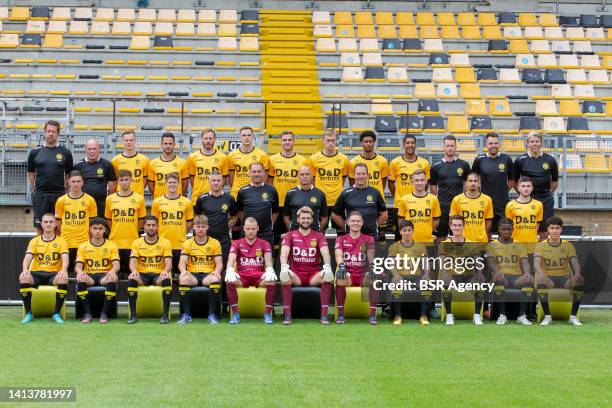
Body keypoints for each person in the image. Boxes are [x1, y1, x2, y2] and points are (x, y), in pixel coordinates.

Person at [278, 207, 334, 325]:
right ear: (297, 220)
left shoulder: (318, 235)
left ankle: (324, 315)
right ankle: (288, 315)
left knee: (327, 277)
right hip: (296, 274)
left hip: (313, 274)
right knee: (285, 276)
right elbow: (284, 253)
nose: (305, 220)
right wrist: (283, 266)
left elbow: (325, 253)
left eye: (308, 218)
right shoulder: (290, 235)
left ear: (312, 220)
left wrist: (327, 266)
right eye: (303, 218)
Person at [224, 217, 277, 325]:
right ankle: (235, 314)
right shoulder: (237, 243)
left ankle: (267, 314)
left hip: (259, 276)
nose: (251, 231)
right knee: (230, 281)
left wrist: (270, 269)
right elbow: (231, 259)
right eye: (248, 229)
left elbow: (268, 259)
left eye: (253, 229)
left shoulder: (264, 243)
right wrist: (229, 269)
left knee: (271, 281)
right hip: (242, 276)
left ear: (257, 228)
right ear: (243, 228)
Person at [19, 213, 69, 324]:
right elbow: (27, 258)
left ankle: (56, 314)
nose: (48, 224)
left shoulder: (61, 241)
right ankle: (29, 314)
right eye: (45, 222)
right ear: (41, 224)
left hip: (53, 274)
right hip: (37, 273)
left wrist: (64, 270)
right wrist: (25, 270)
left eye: (51, 222)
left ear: (55, 224)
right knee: (24, 278)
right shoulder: (35, 241)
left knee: (63, 279)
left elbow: (65, 258)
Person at [438, 215, 487, 326]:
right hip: (452, 276)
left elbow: (477, 260)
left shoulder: (471, 243)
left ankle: (476, 316)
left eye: (460, 225)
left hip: (468, 276)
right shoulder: (444, 244)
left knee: (481, 280)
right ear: (450, 226)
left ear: (464, 226)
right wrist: (444, 273)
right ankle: (450, 315)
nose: (457, 228)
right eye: (455, 225)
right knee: (444, 281)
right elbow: (440, 260)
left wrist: (479, 272)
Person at [534, 216, 583, 326]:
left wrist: (577, 275)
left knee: (580, 280)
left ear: (561, 230)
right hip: (548, 278)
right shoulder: (540, 245)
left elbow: (575, 262)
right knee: (541, 281)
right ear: (548, 230)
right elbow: (536, 263)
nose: (554, 231)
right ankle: (547, 316)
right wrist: (543, 275)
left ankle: (573, 316)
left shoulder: (568, 245)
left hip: (564, 279)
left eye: (557, 228)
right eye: (552, 228)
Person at [27, 120, 74, 230]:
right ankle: (41, 247)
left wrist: (66, 191)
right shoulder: (35, 152)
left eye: (53, 131)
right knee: (40, 227)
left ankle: (57, 247)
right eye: (49, 131)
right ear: (45, 132)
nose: (51, 134)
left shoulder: (65, 152)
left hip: (58, 195)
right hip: (41, 195)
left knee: (58, 226)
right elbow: (30, 173)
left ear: (58, 133)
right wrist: (35, 190)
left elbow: (69, 175)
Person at [486, 218, 534, 326]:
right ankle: (502, 315)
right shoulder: (492, 245)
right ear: (499, 229)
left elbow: (525, 262)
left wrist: (526, 273)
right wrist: (497, 273)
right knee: (499, 281)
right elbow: (491, 263)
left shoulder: (520, 245)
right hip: (502, 276)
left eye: (508, 229)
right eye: (504, 229)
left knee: (528, 281)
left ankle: (522, 316)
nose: (506, 231)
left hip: (516, 278)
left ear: (512, 229)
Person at [177, 215, 223, 325]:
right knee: (183, 279)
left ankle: (212, 315)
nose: (201, 229)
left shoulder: (214, 243)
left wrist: (217, 271)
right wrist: (183, 271)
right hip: (193, 275)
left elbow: (219, 264)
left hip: (208, 274)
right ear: (194, 227)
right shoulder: (188, 243)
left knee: (215, 279)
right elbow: (181, 263)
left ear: (207, 227)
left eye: (203, 226)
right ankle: (186, 315)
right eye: (198, 226)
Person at [127, 216, 173, 324]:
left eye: (153, 225)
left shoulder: (165, 242)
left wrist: (165, 272)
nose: (151, 228)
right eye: (148, 225)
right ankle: (133, 315)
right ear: (144, 226)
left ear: (158, 227)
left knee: (166, 280)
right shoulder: (137, 242)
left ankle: (165, 315)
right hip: (142, 275)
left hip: (158, 274)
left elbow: (169, 263)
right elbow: (132, 262)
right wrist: (134, 271)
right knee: (132, 280)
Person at [334, 211, 378, 325]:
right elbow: (338, 255)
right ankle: (341, 314)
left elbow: (370, 254)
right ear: (347, 222)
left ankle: (372, 315)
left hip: (363, 275)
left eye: (358, 221)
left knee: (374, 279)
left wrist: (372, 266)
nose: (355, 223)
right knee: (340, 277)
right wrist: (342, 267)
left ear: (362, 223)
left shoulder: (369, 239)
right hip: (349, 274)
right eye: (353, 221)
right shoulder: (341, 239)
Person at [74, 218, 120, 324]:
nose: (97, 231)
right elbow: (78, 266)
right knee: (81, 280)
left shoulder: (111, 245)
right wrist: (80, 272)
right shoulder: (83, 246)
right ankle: (87, 313)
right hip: (89, 275)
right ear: (90, 229)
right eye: (95, 228)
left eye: (100, 228)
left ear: (105, 230)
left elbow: (116, 265)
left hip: (104, 275)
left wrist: (112, 271)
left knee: (113, 279)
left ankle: (104, 314)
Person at [513, 132, 559, 235]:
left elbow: (555, 181)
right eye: (532, 141)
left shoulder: (550, 160)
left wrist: (546, 192)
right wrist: (524, 194)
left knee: (544, 232)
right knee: (527, 230)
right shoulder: (520, 160)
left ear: (541, 143)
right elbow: (515, 182)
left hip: (545, 201)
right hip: (527, 200)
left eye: (537, 141)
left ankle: (543, 251)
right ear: (527, 144)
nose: (535, 144)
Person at [387, 220, 431, 325]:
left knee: (426, 284)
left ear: (413, 231)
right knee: (396, 284)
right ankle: (398, 316)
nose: (407, 233)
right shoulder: (394, 247)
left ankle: (423, 316)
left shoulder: (420, 246)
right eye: (404, 230)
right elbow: (390, 263)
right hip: (401, 276)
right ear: (400, 232)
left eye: (409, 230)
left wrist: (426, 275)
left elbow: (426, 263)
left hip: (417, 277)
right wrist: (396, 275)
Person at [104, 170, 147, 278]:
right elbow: (108, 219)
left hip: (132, 242)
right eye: (121, 180)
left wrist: (134, 230)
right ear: (118, 181)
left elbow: (142, 219)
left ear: (131, 180)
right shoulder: (110, 199)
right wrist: (114, 229)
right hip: (115, 242)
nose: (124, 182)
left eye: (126, 179)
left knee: (131, 275)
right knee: (114, 275)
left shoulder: (139, 198)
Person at [152, 172, 194, 278]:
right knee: (165, 276)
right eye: (170, 182)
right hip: (163, 245)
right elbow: (154, 222)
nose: (172, 185)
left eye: (174, 182)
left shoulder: (186, 202)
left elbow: (190, 221)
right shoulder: (157, 202)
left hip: (180, 245)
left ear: (178, 184)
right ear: (166, 184)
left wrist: (182, 232)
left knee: (180, 276)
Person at [55, 170, 98, 273]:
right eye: (73, 181)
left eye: (78, 181)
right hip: (66, 243)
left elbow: (93, 223)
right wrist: (66, 232)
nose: (76, 184)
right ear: (68, 182)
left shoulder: (90, 200)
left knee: (82, 273)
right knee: (66, 273)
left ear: (83, 182)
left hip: (84, 243)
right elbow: (58, 221)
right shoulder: (61, 200)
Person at [193, 170, 238, 268]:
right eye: (213, 181)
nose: (216, 183)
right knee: (207, 266)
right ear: (209, 181)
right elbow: (197, 217)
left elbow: (235, 217)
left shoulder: (230, 199)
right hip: (206, 239)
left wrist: (227, 226)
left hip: (223, 239)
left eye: (218, 180)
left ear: (223, 182)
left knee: (224, 266)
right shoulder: (202, 199)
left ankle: (223, 283)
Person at [332, 163, 388, 240]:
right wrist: (346, 226)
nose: (361, 176)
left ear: (368, 175)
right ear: (354, 175)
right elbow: (334, 215)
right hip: (352, 237)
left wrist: (374, 225)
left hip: (371, 237)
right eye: (358, 174)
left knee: (371, 252)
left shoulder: (375, 192)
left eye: (363, 174)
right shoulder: (346, 193)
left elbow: (384, 214)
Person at [471, 132, 514, 233]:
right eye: (491, 143)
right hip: (484, 204)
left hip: (502, 204)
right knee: (486, 232)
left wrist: (502, 190)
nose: (493, 146)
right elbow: (473, 180)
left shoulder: (506, 159)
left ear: (499, 144)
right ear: (486, 145)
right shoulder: (479, 160)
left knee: (503, 233)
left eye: (496, 143)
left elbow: (511, 180)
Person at [430, 135, 471, 240]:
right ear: (444, 147)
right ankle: (440, 256)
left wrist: (464, 198)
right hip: (442, 207)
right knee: (440, 236)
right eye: (448, 146)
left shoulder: (464, 165)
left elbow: (467, 183)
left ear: (456, 147)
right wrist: (438, 200)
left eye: (452, 146)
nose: (450, 148)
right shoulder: (436, 166)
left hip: (459, 206)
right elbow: (433, 186)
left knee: (459, 235)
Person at [307, 129, 349, 230]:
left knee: (340, 231)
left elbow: (343, 178)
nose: (330, 143)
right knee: (318, 230)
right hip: (320, 201)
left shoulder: (344, 159)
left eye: (333, 140)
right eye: (328, 140)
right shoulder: (314, 158)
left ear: (336, 141)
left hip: (337, 201)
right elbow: (312, 179)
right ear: (323, 141)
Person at [268, 130, 307, 241]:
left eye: (289, 140)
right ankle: (276, 258)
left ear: (294, 142)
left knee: (295, 234)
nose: (287, 142)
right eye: (284, 140)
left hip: (296, 203)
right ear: (280, 142)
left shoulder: (302, 160)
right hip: (278, 203)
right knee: (277, 235)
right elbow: (269, 181)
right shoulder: (273, 160)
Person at [388, 134, 430, 236]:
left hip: (419, 204)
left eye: (412, 143)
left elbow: (426, 183)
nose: (410, 145)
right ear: (403, 145)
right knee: (400, 236)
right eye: (407, 143)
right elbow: (390, 183)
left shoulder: (424, 163)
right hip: (399, 205)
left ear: (415, 145)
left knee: (417, 234)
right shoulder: (395, 162)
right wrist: (398, 197)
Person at [236, 162, 279, 246]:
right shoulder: (243, 191)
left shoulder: (272, 190)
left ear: (263, 173)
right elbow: (240, 211)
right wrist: (249, 225)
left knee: (267, 259)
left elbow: (275, 212)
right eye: (254, 172)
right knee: (246, 259)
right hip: (247, 234)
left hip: (266, 234)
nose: (256, 174)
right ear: (249, 173)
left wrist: (269, 226)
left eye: (259, 171)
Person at [74, 139, 117, 217]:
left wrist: (108, 201)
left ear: (99, 149)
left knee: (100, 226)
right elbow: (73, 183)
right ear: (85, 150)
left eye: (94, 148)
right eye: (89, 149)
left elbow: (112, 185)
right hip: (83, 203)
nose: (92, 151)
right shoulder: (78, 165)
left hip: (101, 204)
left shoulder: (107, 164)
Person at [397, 169, 441, 244]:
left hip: (427, 241)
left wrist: (428, 229)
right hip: (409, 242)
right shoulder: (404, 199)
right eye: (416, 180)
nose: (419, 183)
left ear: (426, 181)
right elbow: (401, 220)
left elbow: (436, 220)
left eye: (422, 180)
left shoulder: (434, 199)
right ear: (412, 182)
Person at [449, 172, 494, 243]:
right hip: (462, 242)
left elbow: (488, 222)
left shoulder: (487, 199)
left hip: (481, 241)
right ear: (465, 183)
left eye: (475, 181)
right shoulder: (457, 199)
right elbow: (452, 221)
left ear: (479, 183)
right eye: (470, 181)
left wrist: (481, 234)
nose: (473, 183)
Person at [188, 128, 229, 204]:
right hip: (198, 197)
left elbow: (224, 178)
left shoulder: (223, 157)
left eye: (210, 138)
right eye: (206, 138)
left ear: (214, 140)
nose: (208, 141)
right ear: (201, 139)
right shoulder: (193, 157)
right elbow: (192, 178)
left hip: (216, 198)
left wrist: (216, 191)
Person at [228, 126, 270, 198]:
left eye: (249, 135)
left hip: (256, 193)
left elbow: (265, 176)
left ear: (253, 137)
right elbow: (231, 176)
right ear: (240, 137)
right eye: (244, 135)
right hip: (237, 193)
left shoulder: (262, 155)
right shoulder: (232, 155)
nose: (246, 137)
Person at [283, 166, 328, 231]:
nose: (304, 176)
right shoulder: (290, 193)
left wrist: (317, 232)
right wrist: (292, 233)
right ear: (298, 176)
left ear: (312, 176)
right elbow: (286, 217)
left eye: (307, 174)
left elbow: (325, 218)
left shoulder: (320, 194)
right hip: (295, 232)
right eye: (302, 174)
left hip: (314, 233)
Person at [348, 130, 389, 200]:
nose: (368, 144)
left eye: (371, 141)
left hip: (377, 199)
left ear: (374, 142)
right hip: (359, 198)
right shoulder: (353, 162)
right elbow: (352, 183)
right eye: (366, 142)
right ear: (361, 143)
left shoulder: (383, 161)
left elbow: (383, 182)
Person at [147, 133, 189, 199]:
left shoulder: (182, 162)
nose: (168, 146)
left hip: (177, 200)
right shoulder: (153, 163)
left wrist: (179, 196)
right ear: (161, 145)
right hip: (159, 201)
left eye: (170, 144)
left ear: (174, 145)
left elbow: (185, 184)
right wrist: (158, 196)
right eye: (165, 144)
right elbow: (151, 185)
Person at [505, 176, 543, 244]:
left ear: (532, 188)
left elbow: (537, 225)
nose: (526, 189)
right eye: (523, 186)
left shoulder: (538, 204)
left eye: (528, 186)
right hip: (515, 244)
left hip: (532, 244)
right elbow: (508, 226)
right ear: (518, 188)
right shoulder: (510, 205)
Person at [111, 130, 149, 196]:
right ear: (122, 141)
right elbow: (115, 181)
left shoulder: (144, 159)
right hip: (121, 197)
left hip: (137, 197)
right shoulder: (115, 160)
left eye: (131, 140)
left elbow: (145, 180)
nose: (129, 142)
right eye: (126, 140)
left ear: (135, 141)